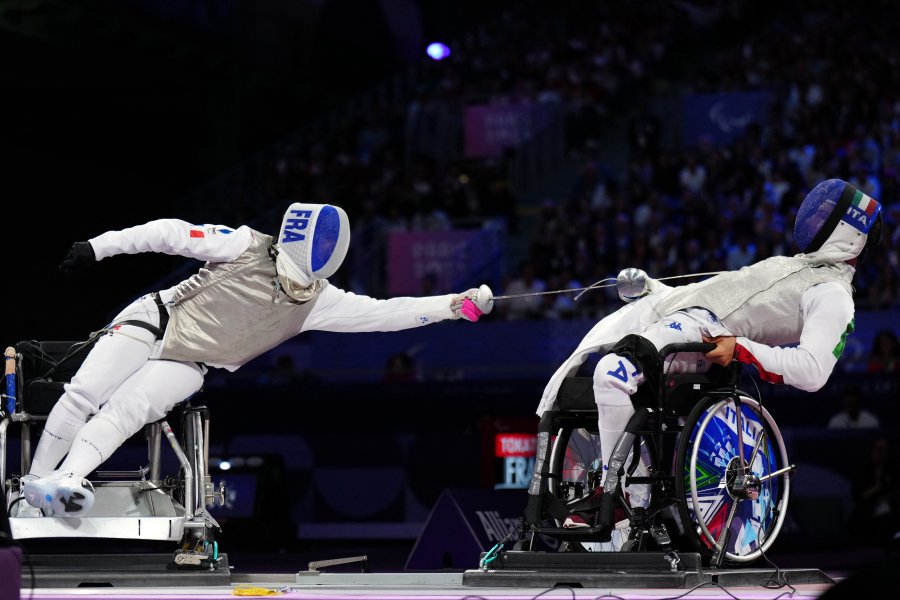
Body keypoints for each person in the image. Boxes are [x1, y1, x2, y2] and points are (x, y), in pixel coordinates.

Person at [21, 203, 494, 516]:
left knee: (128, 411)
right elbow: (169, 233)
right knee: (86, 392)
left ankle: (65, 481)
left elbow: (390, 313)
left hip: (193, 362)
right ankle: (33, 484)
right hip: (158, 321)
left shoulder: (320, 301)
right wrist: (100, 247)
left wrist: (454, 304)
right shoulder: (244, 244)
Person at [536, 178, 884, 530]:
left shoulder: (834, 295)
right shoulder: (796, 265)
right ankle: (622, 490)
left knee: (612, 373)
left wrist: (742, 349)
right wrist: (655, 290)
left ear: (847, 233)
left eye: (824, 214)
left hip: (703, 336)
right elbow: (715, 295)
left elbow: (812, 370)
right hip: (683, 318)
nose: (811, 219)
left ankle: (625, 496)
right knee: (597, 366)